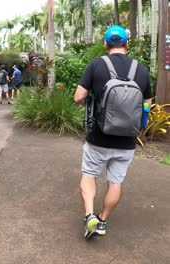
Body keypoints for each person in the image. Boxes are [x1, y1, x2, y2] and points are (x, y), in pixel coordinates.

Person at [74, 25, 153, 239]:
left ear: (105, 44)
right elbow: (146, 105)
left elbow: (78, 97)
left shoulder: (96, 65)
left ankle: (89, 214)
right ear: (127, 44)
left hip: (99, 137)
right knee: (115, 182)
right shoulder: (141, 69)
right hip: (127, 140)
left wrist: (93, 104)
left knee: (89, 175)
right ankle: (102, 220)